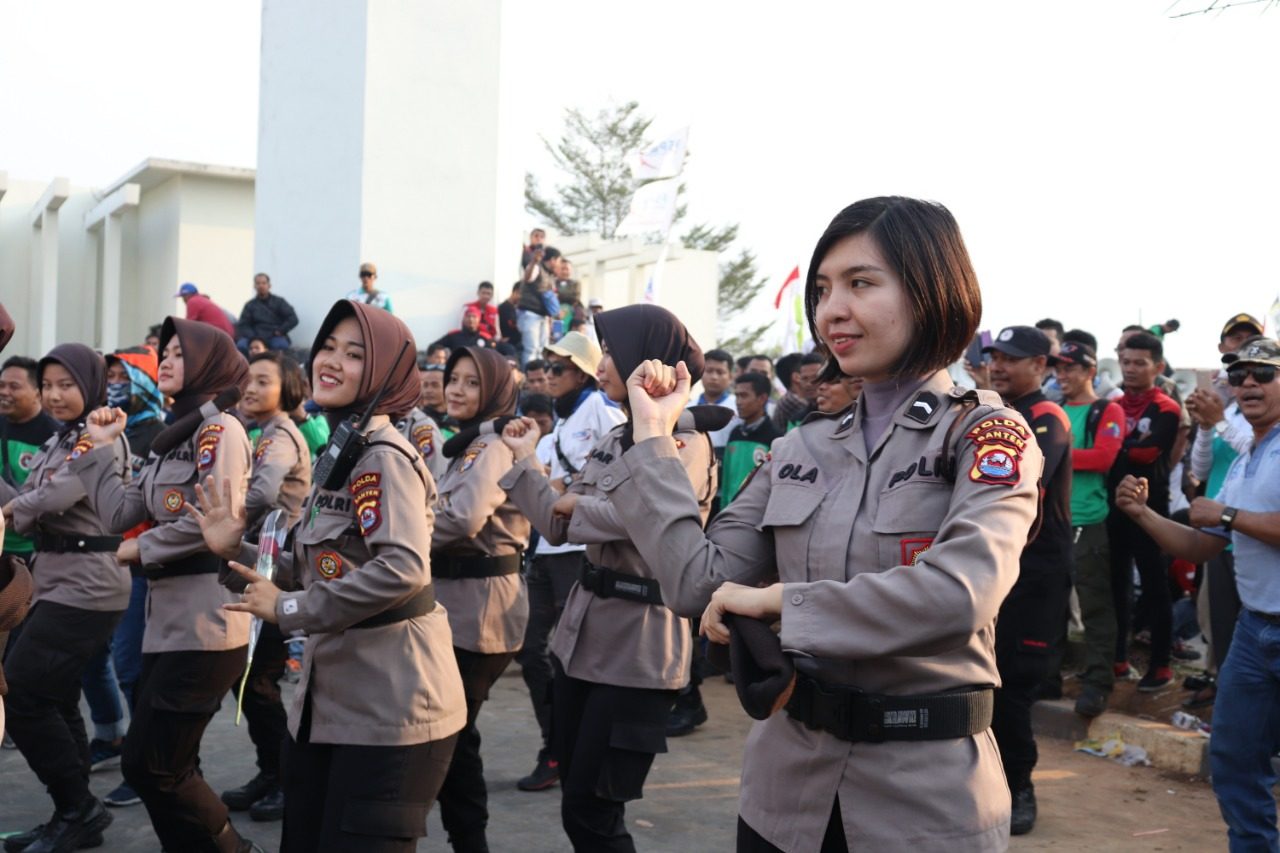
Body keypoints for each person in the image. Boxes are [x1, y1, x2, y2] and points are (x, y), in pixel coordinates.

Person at [604, 197, 1043, 851]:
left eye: (861, 283)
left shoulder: (984, 435)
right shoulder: (802, 447)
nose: (832, 309)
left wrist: (781, 603)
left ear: (932, 290)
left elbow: (960, 593)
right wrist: (651, 436)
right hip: (785, 794)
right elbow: (699, 582)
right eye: (822, 289)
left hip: (920, 804)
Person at [188, 299, 465, 852]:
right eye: (328, 347)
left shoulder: (383, 456)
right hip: (332, 701)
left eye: (355, 354)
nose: (332, 361)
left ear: (384, 371)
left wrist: (289, 608)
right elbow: (315, 562)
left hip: (392, 706)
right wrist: (234, 549)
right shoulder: (344, 450)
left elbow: (403, 568)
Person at [498, 303, 720, 851]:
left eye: (613, 352)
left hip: (639, 648)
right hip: (583, 638)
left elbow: (642, 520)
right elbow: (555, 524)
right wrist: (526, 462)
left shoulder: (687, 442)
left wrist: (577, 504)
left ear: (652, 360)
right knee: (577, 802)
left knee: (594, 811)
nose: (601, 365)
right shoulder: (614, 439)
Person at [70, 317, 260, 851]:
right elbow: (117, 513)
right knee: (166, 765)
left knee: (152, 764)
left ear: (209, 364)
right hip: (166, 619)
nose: (168, 361)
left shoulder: (219, 431)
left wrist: (142, 548)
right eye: (166, 352)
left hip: (207, 620)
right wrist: (100, 448)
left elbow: (218, 523)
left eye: (180, 353)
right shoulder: (171, 438)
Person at [1113, 337, 1280, 852]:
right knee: (1233, 755)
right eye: (1240, 374)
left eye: (1264, 374)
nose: (1248, 382)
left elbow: (1221, 520)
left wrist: (1227, 514)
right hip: (1256, 629)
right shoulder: (1250, 455)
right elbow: (1204, 545)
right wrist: (1143, 514)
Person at [1, 344, 132, 853]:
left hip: (88, 585)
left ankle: (78, 808)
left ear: (91, 386)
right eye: (48, 385)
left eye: (67, 385)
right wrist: (15, 504)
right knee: (53, 696)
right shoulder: (62, 439)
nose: (55, 395)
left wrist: (10, 512)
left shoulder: (101, 437)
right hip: (55, 580)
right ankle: (73, 812)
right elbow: (31, 495)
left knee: (22, 691)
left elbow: (55, 496)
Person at [512, 332, 625, 793]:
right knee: (532, 650)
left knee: (568, 655)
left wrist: (578, 490)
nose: (549, 375)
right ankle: (557, 743)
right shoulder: (558, 423)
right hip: (547, 547)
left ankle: (567, 749)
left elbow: (626, 459)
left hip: (579, 551)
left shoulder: (600, 408)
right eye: (547, 367)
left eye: (559, 368)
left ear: (581, 373)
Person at [429, 345, 530, 852]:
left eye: (472, 382)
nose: (456, 389)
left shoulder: (491, 446)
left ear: (493, 391)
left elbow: (462, 520)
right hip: (458, 601)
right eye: (454, 378)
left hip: (481, 610)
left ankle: (471, 841)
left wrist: (395, 540)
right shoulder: (467, 443)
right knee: (453, 735)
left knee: (450, 736)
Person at [984, 325, 1074, 836]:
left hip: (1036, 571)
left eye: (1011, 359)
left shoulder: (1046, 417)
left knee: (1014, 683)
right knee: (983, 677)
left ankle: (1020, 786)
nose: (998, 366)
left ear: (1041, 366)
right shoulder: (995, 414)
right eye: (995, 357)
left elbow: (1017, 487)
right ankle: (987, 784)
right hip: (997, 566)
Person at [218, 351, 311, 824]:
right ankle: (270, 771)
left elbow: (262, 494)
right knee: (252, 681)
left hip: (281, 568)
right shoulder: (262, 433)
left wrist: (221, 515)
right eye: (247, 380)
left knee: (260, 680)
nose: (250, 389)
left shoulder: (281, 436)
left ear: (288, 388)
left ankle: (285, 780)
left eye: (262, 381)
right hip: (263, 562)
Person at [82, 344, 168, 809]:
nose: (114, 383)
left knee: (132, 668)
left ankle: (145, 763)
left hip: (141, 566)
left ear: (145, 381)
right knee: (100, 659)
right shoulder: (112, 429)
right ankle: (116, 740)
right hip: (105, 559)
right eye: (110, 375)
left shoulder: (161, 435)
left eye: (124, 376)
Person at [1054, 341, 1125, 718]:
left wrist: (1054, 452)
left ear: (1089, 372)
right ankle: (1048, 677)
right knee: (1049, 605)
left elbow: (1103, 458)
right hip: (1053, 522)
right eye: (1058, 368)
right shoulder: (1057, 409)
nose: (1061, 375)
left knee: (1095, 606)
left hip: (1088, 522)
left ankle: (1098, 683)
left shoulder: (1107, 410)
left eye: (1070, 368)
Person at [1109, 331, 1182, 690]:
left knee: (1155, 585)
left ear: (1158, 367)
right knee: (1116, 583)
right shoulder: (1113, 404)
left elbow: (1147, 453)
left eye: (1140, 363)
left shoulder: (1167, 407)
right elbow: (1122, 450)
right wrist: (1121, 448)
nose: (1131, 369)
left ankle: (1161, 665)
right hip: (1113, 506)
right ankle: (1118, 659)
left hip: (1151, 507)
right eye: (1126, 362)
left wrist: (1112, 448)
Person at [0, 356, 59, 559]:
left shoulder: (55, 437)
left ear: (37, 393)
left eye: (14, 386)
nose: (4, 391)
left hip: (31, 550)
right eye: (1, 385)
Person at [720, 373, 785, 508]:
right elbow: (726, 481)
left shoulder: (775, 438)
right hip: (728, 512)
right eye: (737, 396)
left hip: (756, 512)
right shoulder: (735, 433)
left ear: (762, 399)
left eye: (744, 396)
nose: (738, 402)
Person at [399, 369, 449, 484]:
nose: (429, 390)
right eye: (425, 385)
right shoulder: (414, 421)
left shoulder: (458, 421)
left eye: (435, 385)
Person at [518, 246, 561, 368]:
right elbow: (527, 278)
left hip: (543, 316)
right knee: (531, 349)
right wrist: (533, 262)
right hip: (531, 314)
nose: (559, 264)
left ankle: (541, 375)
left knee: (542, 350)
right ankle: (528, 376)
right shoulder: (536, 267)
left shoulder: (550, 274)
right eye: (558, 261)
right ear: (552, 260)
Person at [236, 273, 299, 354]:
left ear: (269, 285)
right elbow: (243, 324)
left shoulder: (279, 302)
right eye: (258, 283)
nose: (261, 286)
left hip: (274, 335)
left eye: (264, 283)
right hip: (254, 335)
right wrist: (253, 337)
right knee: (241, 345)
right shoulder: (250, 305)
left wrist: (280, 330)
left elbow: (293, 318)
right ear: (254, 286)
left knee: (281, 345)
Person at [499, 283, 522, 352]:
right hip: (508, 345)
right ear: (515, 292)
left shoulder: (518, 309)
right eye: (521, 294)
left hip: (517, 343)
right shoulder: (503, 308)